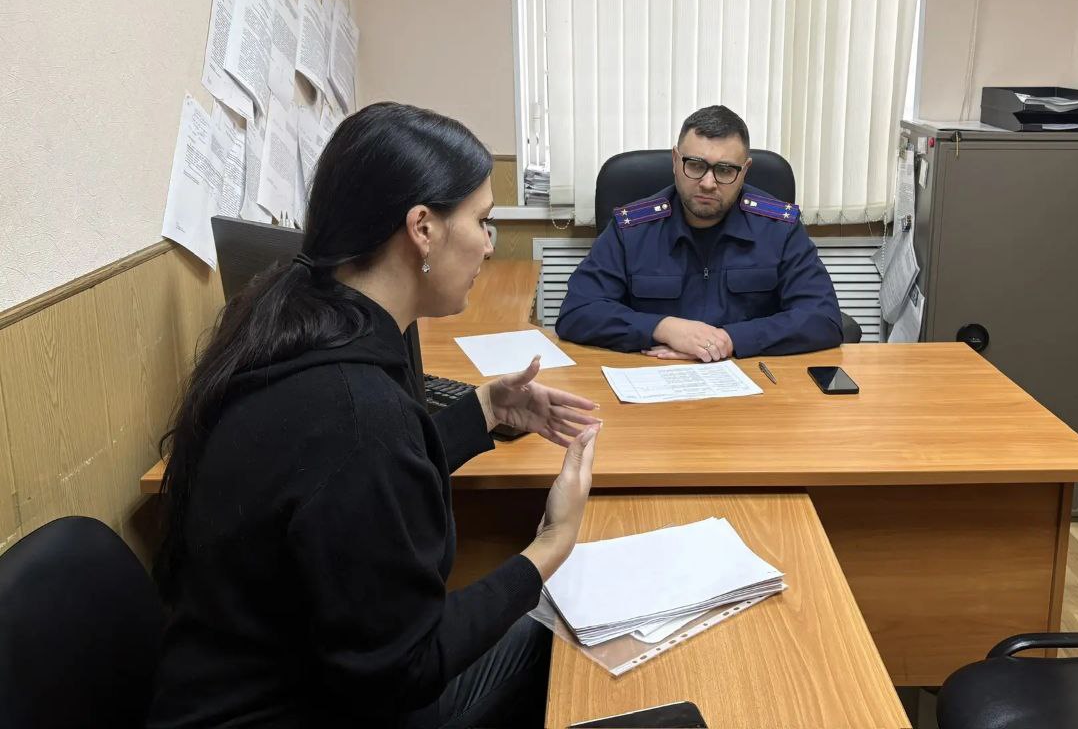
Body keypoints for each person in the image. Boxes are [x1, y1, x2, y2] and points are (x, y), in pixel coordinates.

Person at [148, 103, 601, 729]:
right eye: (482, 221)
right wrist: (550, 546)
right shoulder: (359, 414)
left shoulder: (303, 319)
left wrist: (484, 408)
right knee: (555, 637)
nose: (489, 245)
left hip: (268, 683)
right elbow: (405, 670)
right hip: (309, 709)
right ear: (422, 228)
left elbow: (353, 482)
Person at [555, 105, 843, 360]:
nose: (707, 183)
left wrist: (729, 340)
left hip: (751, 378)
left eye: (725, 170)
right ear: (675, 160)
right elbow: (578, 311)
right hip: (652, 374)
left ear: (745, 171)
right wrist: (663, 328)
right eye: (695, 165)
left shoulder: (779, 227)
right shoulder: (632, 229)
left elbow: (822, 317)